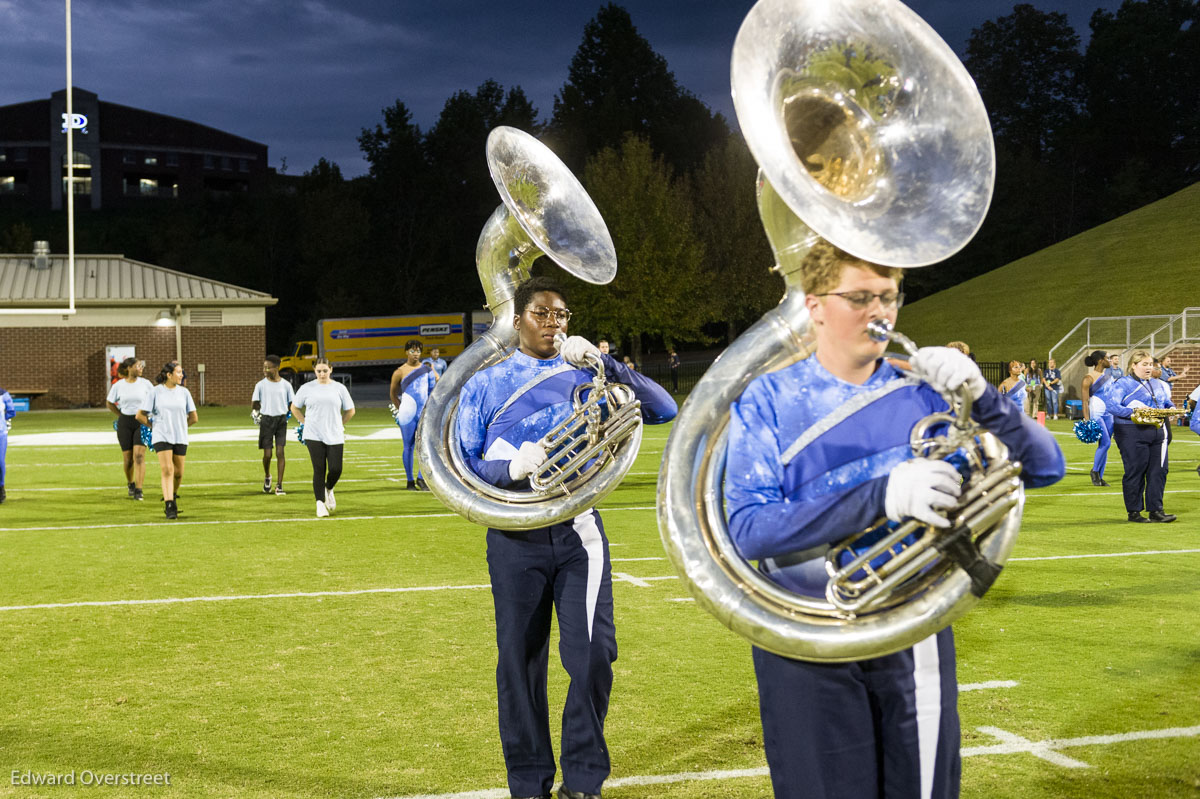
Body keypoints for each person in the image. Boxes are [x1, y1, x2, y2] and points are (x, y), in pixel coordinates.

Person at [724, 240, 1064, 799]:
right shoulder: (769, 397)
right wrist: (878, 496)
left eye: (888, 298)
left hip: (914, 624)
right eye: (859, 297)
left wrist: (984, 398)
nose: (879, 313)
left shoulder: (925, 390)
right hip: (806, 636)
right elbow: (749, 528)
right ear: (814, 305)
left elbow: (1047, 466)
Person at [456, 276, 677, 799]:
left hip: (579, 532)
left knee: (594, 655)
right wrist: (509, 469)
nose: (553, 323)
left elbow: (664, 408)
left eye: (561, 315)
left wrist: (608, 365)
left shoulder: (588, 374)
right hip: (514, 536)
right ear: (517, 319)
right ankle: (530, 784)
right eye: (541, 313)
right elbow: (464, 464)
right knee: (519, 662)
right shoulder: (486, 381)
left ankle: (583, 780)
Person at [1106, 349, 1176, 523]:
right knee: (1135, 470)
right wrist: (1135, 413)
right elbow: (1111, 406)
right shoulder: (1123, 384)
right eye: (1144, 364)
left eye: (1151, 364)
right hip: (1131, 431)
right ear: (1133, 365)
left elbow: (1165, 402)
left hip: (1157, 430)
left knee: (1158, 470)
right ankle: (1134, 511)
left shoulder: (1157, 383)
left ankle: (1156, 510)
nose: (1148, 368)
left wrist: (1172, 407)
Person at [291, 358, 355, 517]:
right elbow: (294, 407)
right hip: (313, 434)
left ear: (331, 370)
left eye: (325, 371)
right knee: (319, 469)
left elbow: (350, 410)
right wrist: (305, 422)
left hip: (335, 434)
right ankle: (319, 503)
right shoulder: (306, 388)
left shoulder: (339, 388)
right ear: (314, 371)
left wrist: (340, 424)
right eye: (318, 371)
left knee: (336, 469)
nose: (322, 374)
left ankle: (329, 488)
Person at [136, 362, 198, 520]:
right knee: (167, 470)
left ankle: (173, 494)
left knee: (178, 473)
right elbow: (140, 415)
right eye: (178, 372)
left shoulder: (184, 393)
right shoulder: (155, 392)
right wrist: (154, 426)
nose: (181, 375)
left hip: (180, 437)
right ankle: (170, 505)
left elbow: (194, 418)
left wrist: (181, 426)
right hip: (161, 435)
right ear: (169, 375)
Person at [390, 340, 436, 491]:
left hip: (424, 414)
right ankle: (410, 481)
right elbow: (393, 394)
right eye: (412, 351)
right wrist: (401, 409)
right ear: (406, 352)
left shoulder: (427, 370)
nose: (415, 354)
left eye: (418, 351)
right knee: (408, 446)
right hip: (407, 415)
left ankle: (421, 478)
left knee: (425, 447)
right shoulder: (399, 372)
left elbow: (432, 391)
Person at [106, 357, 153, 500]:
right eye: (138, 366)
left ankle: (139, 489)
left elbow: (154, 400)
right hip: (125, 422)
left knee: (139, 456)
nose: (141, 368)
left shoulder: (146, 384)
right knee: (128, 459)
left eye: (141, 366)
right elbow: (109, 402)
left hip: (142, 421)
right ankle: (130, 483)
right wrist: (120, 415)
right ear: (129, 368)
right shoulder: (119, 385)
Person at [252, 355, 295, 495]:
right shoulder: (260, 385)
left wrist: (289, 412)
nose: (265, 370)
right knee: (268, 455)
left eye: (268, 367)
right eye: (264, 367)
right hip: (266, 421)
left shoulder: (286, 385)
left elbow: (292, 403)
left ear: (276, 368)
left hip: (281, 421)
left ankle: (279, 485)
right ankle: (267, 476)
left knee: (280, 452)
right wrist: (256, 413)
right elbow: (255, 403)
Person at [1081, 350, 1115, 487]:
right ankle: (1094, 471)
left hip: (1109, 413)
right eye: (1108, 358)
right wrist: (1087, 420)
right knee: (1106, 443)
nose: (1110, 361)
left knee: (1105, 446)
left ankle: (1100, 478)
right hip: (1097, 413)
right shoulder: (1088, 378)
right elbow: (1084, 401)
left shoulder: (1108, 376)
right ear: (1101, 360)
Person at [0, 385, 13, 504]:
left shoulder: (3, 394)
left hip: (0, 434)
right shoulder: (3, 394)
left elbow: (11, 411)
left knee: (0, 462)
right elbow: (11, 411)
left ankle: (1, 487)